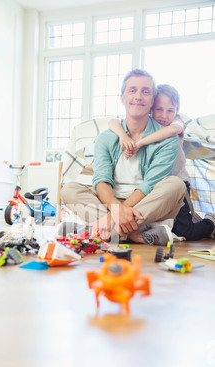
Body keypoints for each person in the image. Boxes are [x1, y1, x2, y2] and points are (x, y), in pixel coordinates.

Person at [59, 69, 186, 246]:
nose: (138, 96)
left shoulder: (167, 139)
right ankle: (135, 234)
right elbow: (101, 180)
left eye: (145, 91)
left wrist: (114, 215)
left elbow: (150, 184)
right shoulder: (106, 137)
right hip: (111, 202)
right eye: (132, 90)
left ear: (152, 100)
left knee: (176, 185)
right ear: (122, 98)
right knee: (69, 189)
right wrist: (116, 207)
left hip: (147, 203)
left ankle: (98, 228)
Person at [109, 84, 215, 240]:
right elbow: (113, 122)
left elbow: (172, 131)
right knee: (156, 219)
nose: (164, 115)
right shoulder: (147, 122)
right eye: (159, 109)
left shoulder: (176, 123)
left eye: (170, 110)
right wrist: (124, 137)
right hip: (153, 185)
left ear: (176, 111)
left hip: (177, 185)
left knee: (183, 231)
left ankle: (210, 222)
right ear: (151, 108)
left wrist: (139, 143)